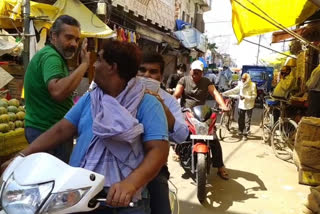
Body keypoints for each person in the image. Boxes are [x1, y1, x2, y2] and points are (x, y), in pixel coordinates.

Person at [2, 40, 170, 214]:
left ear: (112, 67)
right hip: (80, 193)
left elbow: (158, 151)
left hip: (123, 200)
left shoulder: (147, 103)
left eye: (99, 60)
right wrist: (21, 157)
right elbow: (61, 130)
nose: (94, 65)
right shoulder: (91, 98)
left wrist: (131, 183)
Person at [23, 15, 90, 163]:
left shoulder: (53, 56)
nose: (73, 44)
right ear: (53, 36)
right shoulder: (51, 57)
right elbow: (58, 92)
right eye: (69, 37)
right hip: (47, 132)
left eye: (77, 40)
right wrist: (84, 65)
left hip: (47, 131)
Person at [137, 52, 189, 214]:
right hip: (121, 165)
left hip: (155, 168)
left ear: (160, 77)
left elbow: (181, 136)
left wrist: (162, 108)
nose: (147, 75)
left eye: (153, 72)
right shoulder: (123, 94)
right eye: (142, 70)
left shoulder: (169, 101)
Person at [173, 60, 229, 180]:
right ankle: (177, 151)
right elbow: (177, 94)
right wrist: (170, 102)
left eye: (198, 72)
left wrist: (222, 105)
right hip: (187, 112)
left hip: (202, 113)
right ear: (190, 71)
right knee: (180, 132)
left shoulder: (206, 81)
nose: (195, 74)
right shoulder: (184, 80)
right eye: (194, 71)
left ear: (202, 73)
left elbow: (215, 93)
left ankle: (220, 167)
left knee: (213, 137)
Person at [222, 73, 257, 140]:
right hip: (241, 105)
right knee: (240, 119)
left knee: (247, 120)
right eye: (242, 79)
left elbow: (254, 96)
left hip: (249, 105)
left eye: (244, 79)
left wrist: (245, 97)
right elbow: (234, 90)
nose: (243, 80)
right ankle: (240, 131)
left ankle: (245, 134)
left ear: (247, 79)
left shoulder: (252, 85)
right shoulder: (241, 84)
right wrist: (224, 93)